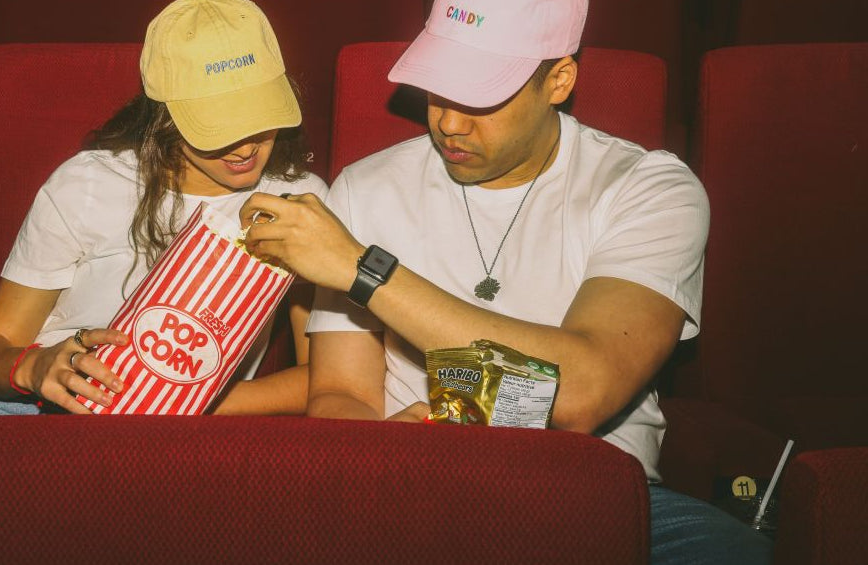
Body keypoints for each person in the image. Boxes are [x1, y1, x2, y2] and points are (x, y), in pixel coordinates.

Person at [240, 0, 770, 563]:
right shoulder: (366, 187)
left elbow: (585, 387)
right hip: (414, 487)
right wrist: (389, 454)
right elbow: (342, 394)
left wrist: (361, 269)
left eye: (480, 97)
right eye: (437, 89)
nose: (448, 122)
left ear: (559, 80)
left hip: (590, 494)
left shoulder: (647, 188)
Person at [0, 0, 326, 432]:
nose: (246, 148)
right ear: (165, 116)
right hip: (44, 408)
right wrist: (34, 368)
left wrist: (171, 403)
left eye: (261, 117)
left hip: (195, 426)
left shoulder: (298, 200)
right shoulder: (89, 182)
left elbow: (323, 380)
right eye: (218, 126)